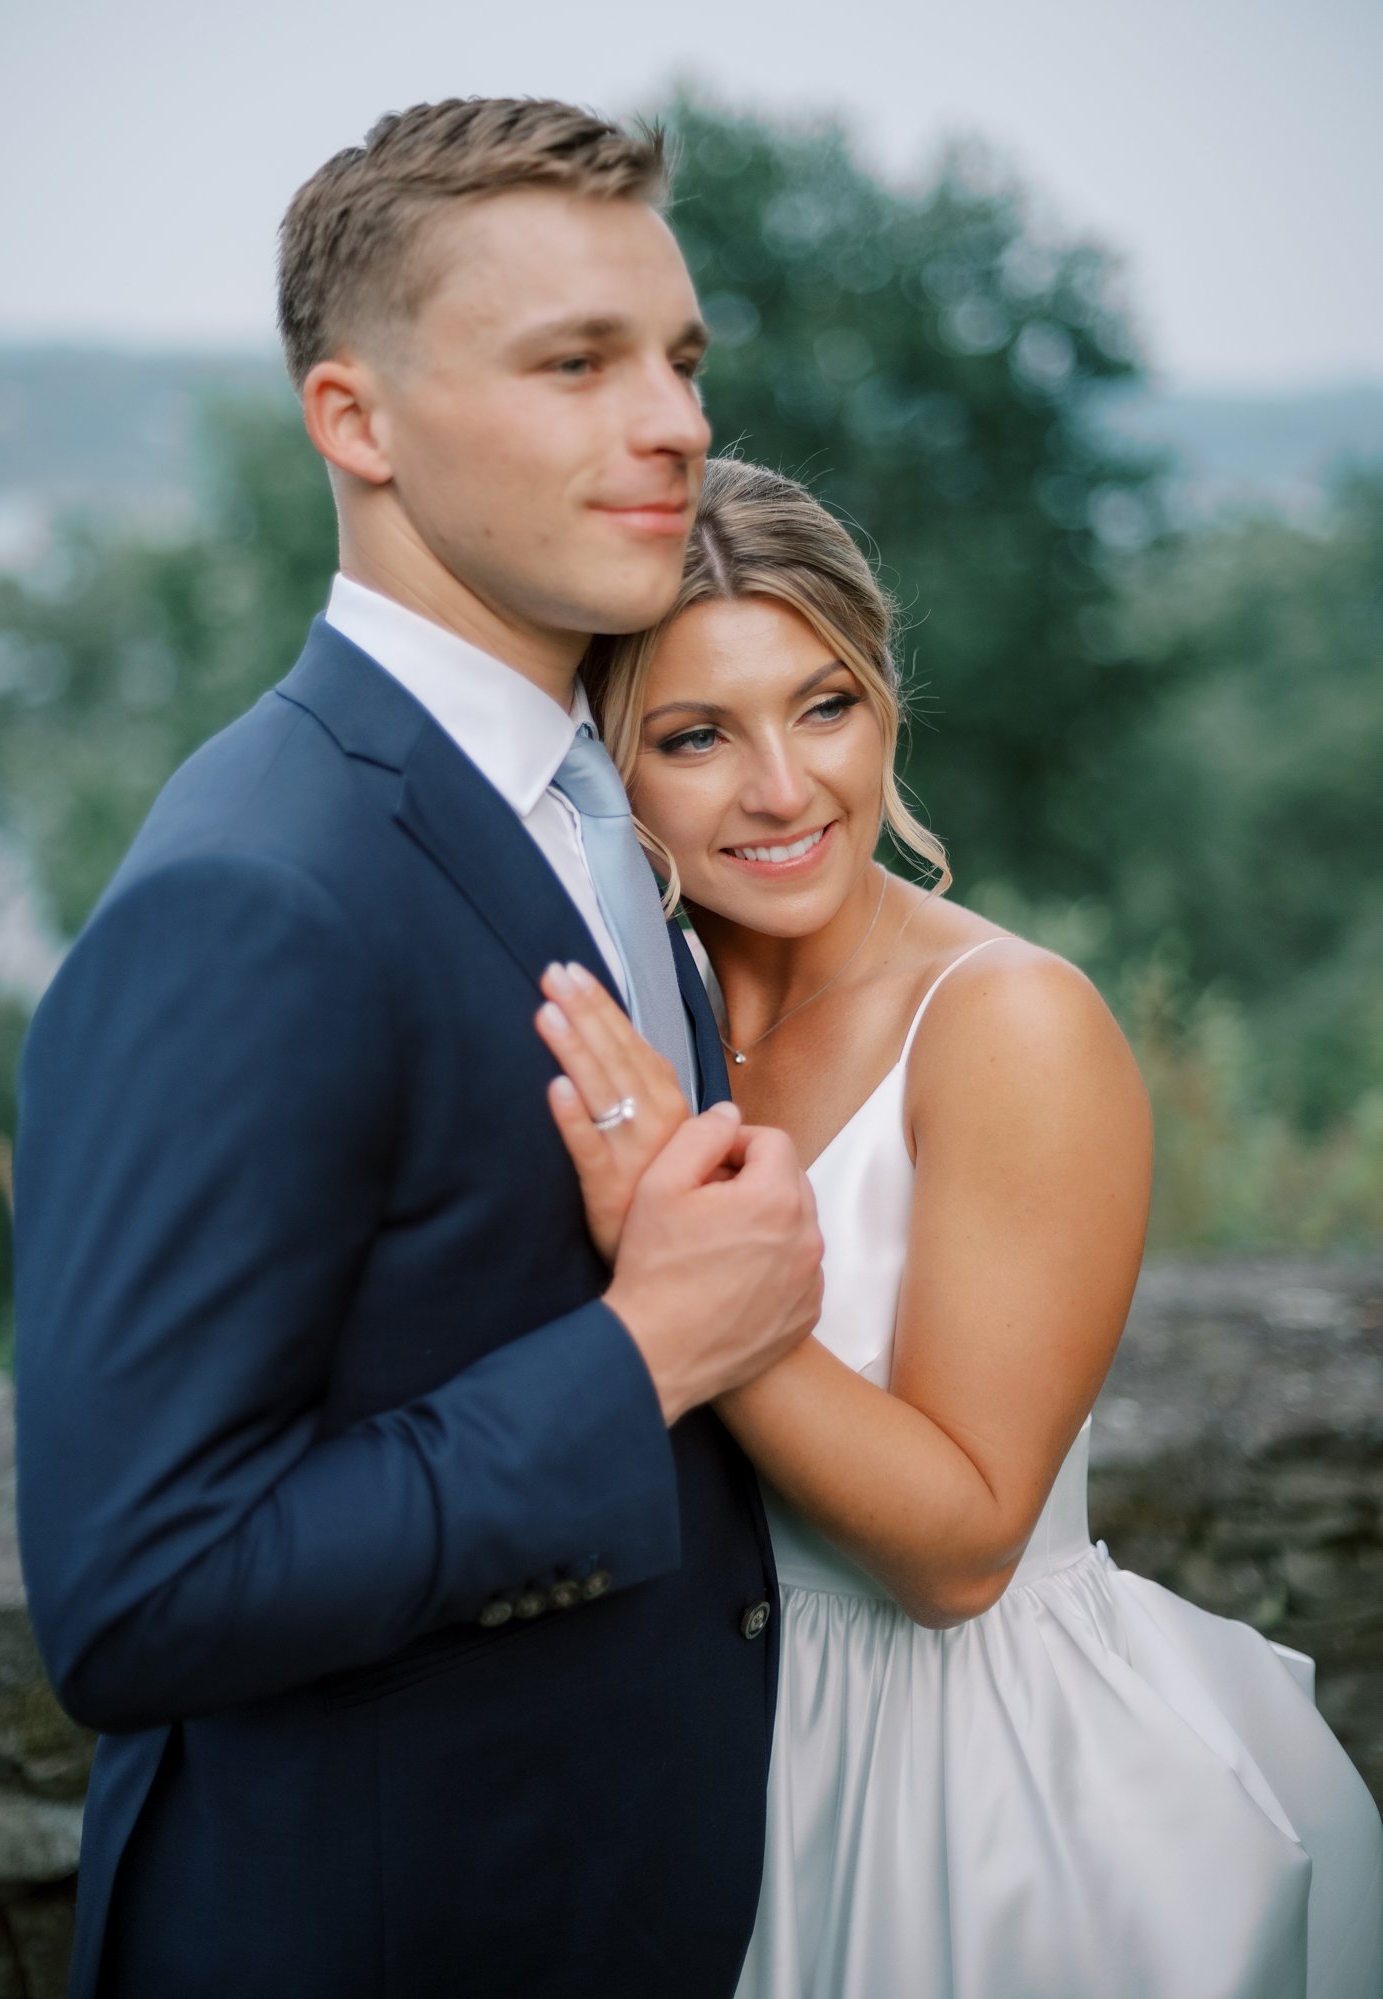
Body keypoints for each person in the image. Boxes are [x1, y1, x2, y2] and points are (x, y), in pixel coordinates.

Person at [12, 106, 825, 1999]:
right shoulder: (257, 892)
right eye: (576, 363)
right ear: (354, 423)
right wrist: (642, 1357)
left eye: (683, 360)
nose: (677, 422)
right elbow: (141, 1593)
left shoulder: (594, 799)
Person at [538, 455, 1383, 1998]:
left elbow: (967, 1545)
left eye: (825, 705)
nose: (784, 789)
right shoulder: (637, 1028)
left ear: (888, 708)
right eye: (697, 736)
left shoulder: (1009, 1023)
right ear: (606, 768)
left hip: (980, 1806)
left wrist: (690, 1273)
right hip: (707, 1779)